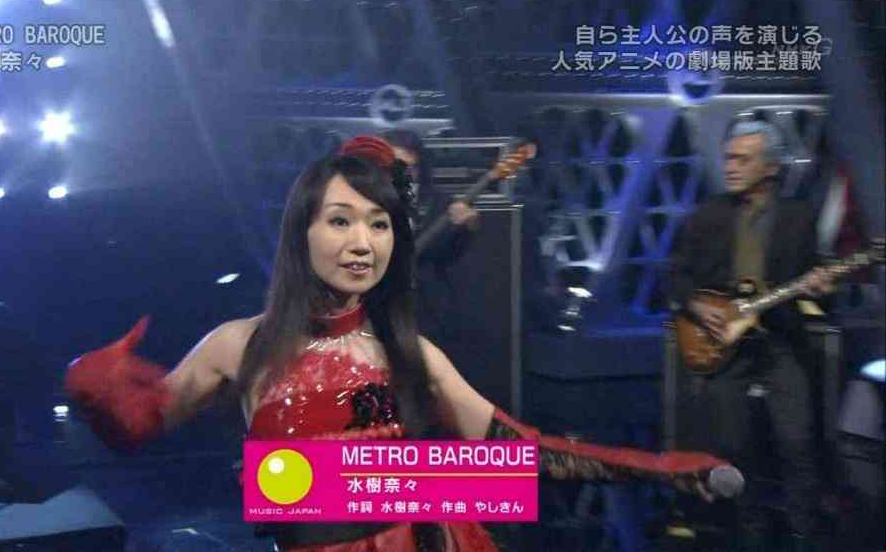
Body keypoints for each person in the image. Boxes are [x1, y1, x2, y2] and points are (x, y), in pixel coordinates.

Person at [67, 136, 739, 552]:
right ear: (302, 231)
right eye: (340, 221)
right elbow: (135, 428)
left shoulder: (409, 351)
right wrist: (95, 385)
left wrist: (661, 468)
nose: (362, 243)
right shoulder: (236, 346)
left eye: (380, 224)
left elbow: (519, 455)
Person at [670, 119, 834, 552]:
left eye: (743, 159)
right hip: (724, 346)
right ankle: (750, 532)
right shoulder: (709, 215)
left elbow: (816, 281)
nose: (730, 166)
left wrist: (821, 287)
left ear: (772, 167)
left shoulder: (799, 217)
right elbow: (675, 276)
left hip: (780, 341)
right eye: (728, 158)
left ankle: (804, 534)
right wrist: (698, 306)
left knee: (797, 442)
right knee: (733, 446)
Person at [378, 129, 478, 347]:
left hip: (426, 308)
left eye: (409, 167)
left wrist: (467, 228)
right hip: (378, 304)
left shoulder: (439, 203)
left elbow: (451, 257)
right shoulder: (367, 200)